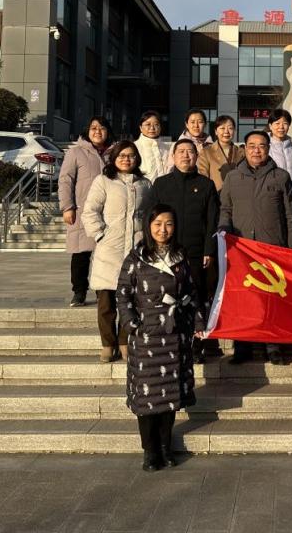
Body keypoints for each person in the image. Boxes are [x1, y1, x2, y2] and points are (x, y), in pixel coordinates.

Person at [117, 204, 202, 472]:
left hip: (174, 334)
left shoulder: (180, 256)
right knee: (147, 398)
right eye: (157, 224)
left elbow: (191, 291)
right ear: (148, 226)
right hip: (147, 336)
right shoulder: (136, 258)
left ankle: (166, 447)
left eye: (168, 224)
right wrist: (133, 324)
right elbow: (123, 294)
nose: (163, 230)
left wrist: (197, 321)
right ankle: (149, 450)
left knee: (169, 397)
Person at [219, 130, 292, 365]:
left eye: (262, 146)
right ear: (245, 149)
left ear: (268, 148)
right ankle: (243, 346)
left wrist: (291, 248)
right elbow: (226, 210)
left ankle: (273, 346)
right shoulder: (232, 177)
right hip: (242, 250)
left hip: (272, 248)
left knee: (271, 298)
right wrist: (224, 232)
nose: (256, 150)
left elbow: (290, 216)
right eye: (252, 146)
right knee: (244, 300)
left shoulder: (280, 177)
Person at [81, 141, 152, 362]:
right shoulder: (103, 181)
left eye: (131, 156)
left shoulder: (145, 184)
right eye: (121, 155)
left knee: (131, 301)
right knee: (106, 303)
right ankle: (107, 344)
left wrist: (145, 239)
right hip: (109, 249)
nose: (126, 159)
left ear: (137, 159)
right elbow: (90, 211)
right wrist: (100, 234)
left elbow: (150, 215)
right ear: (113, 158)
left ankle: (124, 342)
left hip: (135, 249)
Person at [150, 138, 219, 363]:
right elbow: (151, 217)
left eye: (190, 151)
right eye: (181, 151)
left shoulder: (206, 185)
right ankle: (169, 344)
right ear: (173, 156)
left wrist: (209, 249)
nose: (186, 155)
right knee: (167, 298)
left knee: (196, 299)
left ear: (197, 156)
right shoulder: (161, 184)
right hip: (166, 253)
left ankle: (197, 346)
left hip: (196, 253)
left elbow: (212, 220)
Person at [59, 115, 113, 307]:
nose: (98, 132)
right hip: (83, 211)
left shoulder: (114, 152)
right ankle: (79, 291)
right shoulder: (76, 152)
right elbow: (66, 180)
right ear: (87, 131)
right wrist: (67, 207)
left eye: (102, 128)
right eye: (94, 128)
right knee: (81, 254)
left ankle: (103, 291)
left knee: (105, 255)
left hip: (109, 212)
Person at [197, 114, 243, 191]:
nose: (226, 131)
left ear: (234, 131)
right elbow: (203, 177)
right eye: (222, 128)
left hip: (237, 194)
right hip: (215, 194)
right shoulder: (206, 152)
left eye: (230, 128)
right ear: (216, 131)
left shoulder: (241, 152)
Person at [165, 108, 213, 173]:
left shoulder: (212, 146)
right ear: (187, 124)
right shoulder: (177, 145)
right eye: (192, 122)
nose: (196, 126)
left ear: (205, 124)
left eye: (200, 122)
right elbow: (171, 170)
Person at [267, 109, 292, 189]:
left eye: (285, 123)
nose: (281, 127)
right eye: (277, 123)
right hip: (273, 191)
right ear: (270, 126)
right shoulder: (266, 146)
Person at [134, 110, 169, 183]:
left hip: (166, 188)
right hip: (144, 188)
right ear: (140, 128)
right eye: (148, 124)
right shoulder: (134, 147)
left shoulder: (167, 148)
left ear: (160, 127)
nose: (152, 128)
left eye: (156, 124)